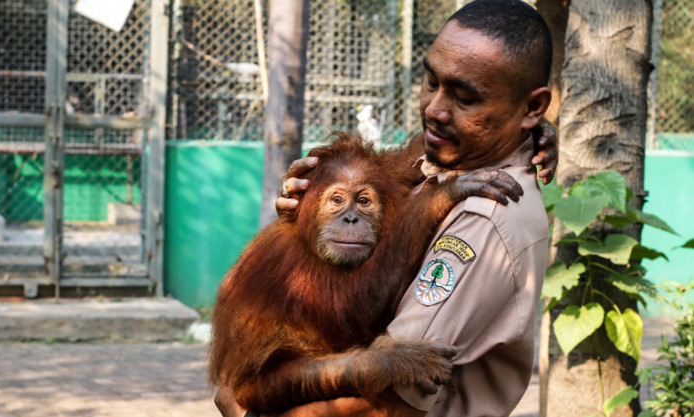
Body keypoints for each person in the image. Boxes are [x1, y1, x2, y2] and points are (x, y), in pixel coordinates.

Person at [217, 0, 555, 415]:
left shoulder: (486, 211)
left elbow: (386, 401)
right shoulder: (442, 166)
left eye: (465, 97)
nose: (434, 109)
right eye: (431, 82)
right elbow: (248, 385)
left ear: (532, 107)